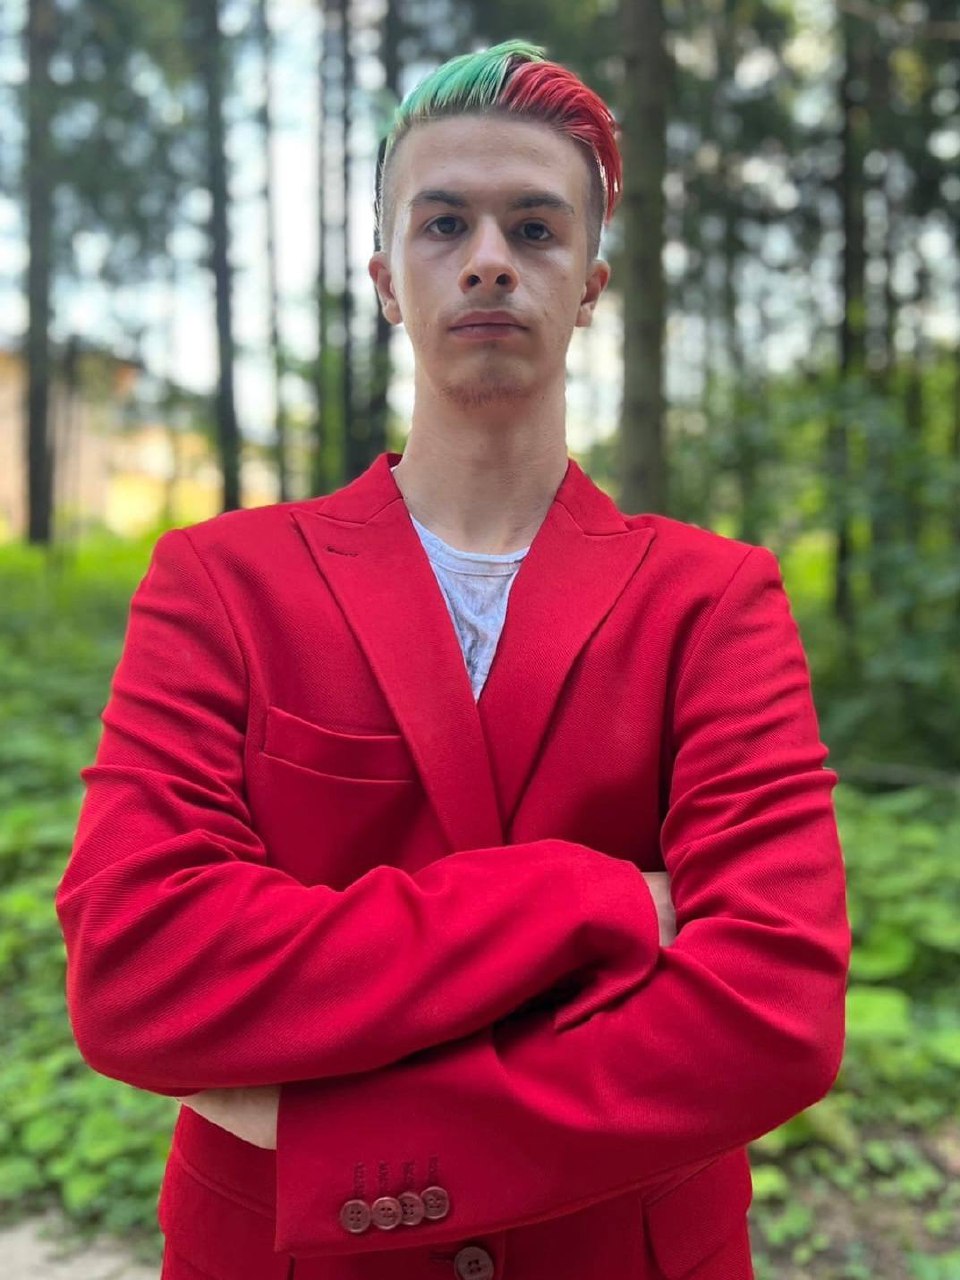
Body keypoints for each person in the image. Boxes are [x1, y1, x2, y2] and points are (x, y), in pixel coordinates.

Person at [55, 38, 851, 1280]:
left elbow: (774, 1011)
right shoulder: (220, 581)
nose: (488, 257)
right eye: (444, 224)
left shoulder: (714, 600)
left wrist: (346, 1138)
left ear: (588, 285)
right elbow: (138, 966)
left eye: (534, 228)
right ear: (387, 278)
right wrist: (591, 901)